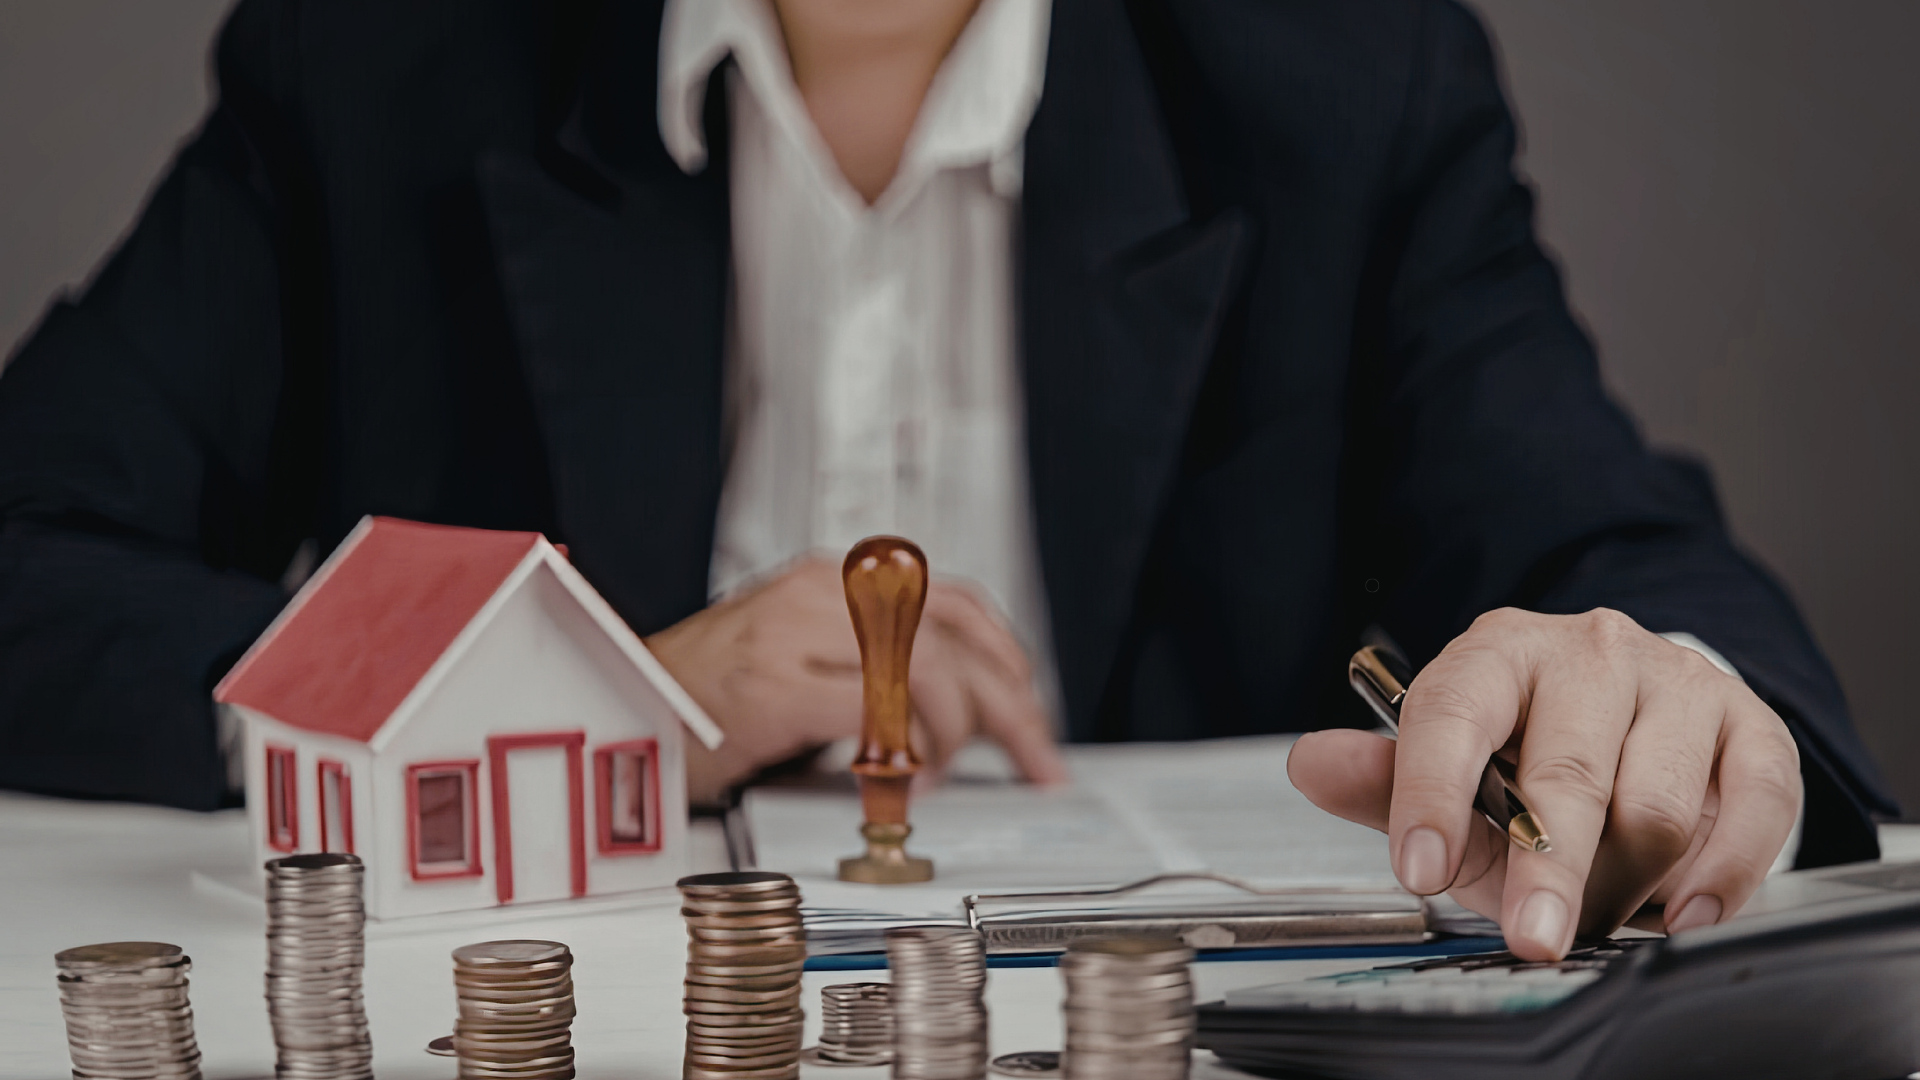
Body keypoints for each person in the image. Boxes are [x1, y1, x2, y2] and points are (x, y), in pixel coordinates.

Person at [0, 0, 1893, 961]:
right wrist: (611, 692)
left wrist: (1688, 725)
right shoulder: (385, 60)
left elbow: (1623, 550)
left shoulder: (1337, 76)